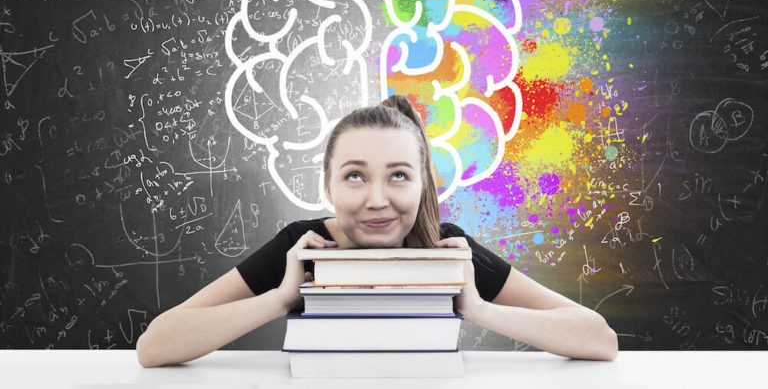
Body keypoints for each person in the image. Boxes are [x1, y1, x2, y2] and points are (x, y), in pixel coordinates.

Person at [136, 95, 618, 367]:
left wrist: (474, 305)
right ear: (327, 183)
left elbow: (597, 338)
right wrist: (282, 297)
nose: (377, 199)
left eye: (399, 175)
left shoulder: (446, 247)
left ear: (423, 182)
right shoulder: (301, 249)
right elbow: (155, 346)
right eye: (354, 175)